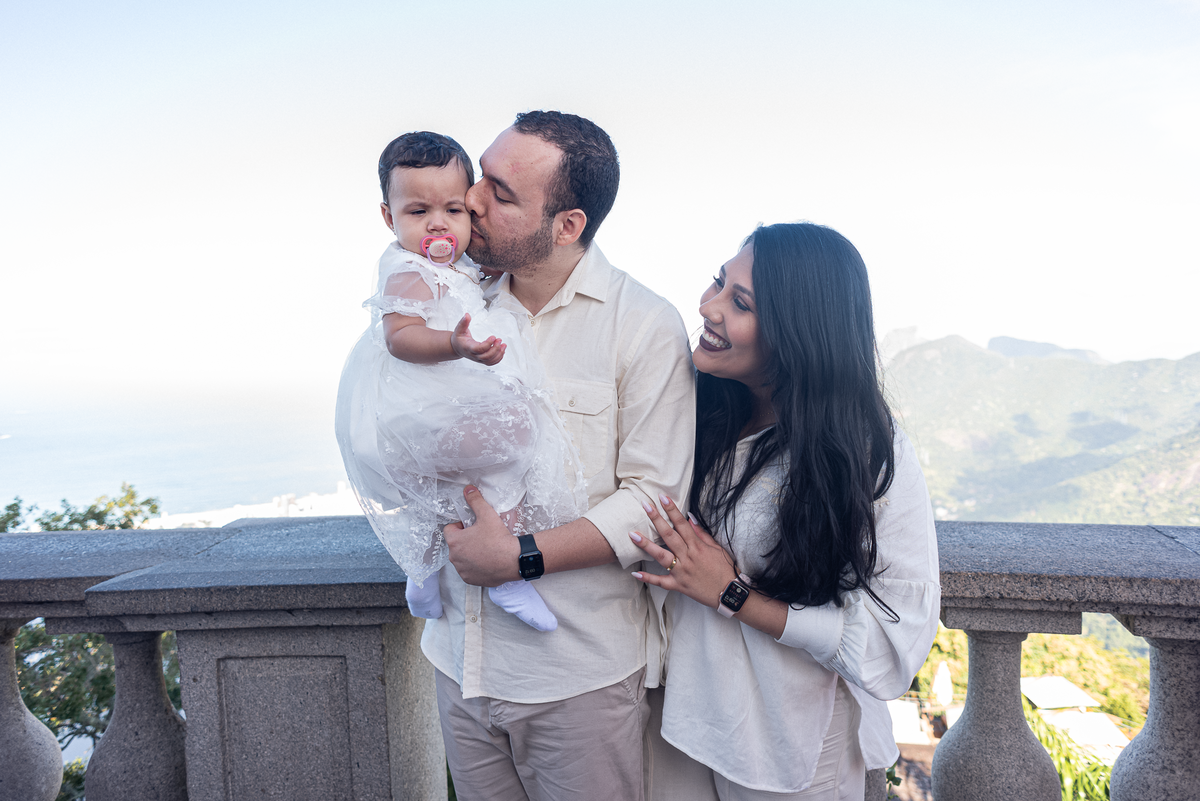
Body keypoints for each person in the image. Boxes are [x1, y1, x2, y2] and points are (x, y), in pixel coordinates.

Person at [423, 111, 696, 801]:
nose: (472, 201)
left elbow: (653, 500)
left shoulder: (642, 323)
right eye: (480, 176)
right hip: (456, 660)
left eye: (501, 193)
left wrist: (519, 559)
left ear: (567, 224)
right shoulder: (455, 301)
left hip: (576, 679)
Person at [631, 223, 941, 800]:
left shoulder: (862, 451)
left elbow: (885, 636)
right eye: (719, 283)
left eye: (740, 302)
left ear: (798, 332)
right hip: (685, 720)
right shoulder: (704, 408)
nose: (708, 307)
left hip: (790, 746)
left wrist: (732, 593)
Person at [334, 131, 588, 633]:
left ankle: (422, 575)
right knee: (515, 448)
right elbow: (400, 336)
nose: (438, 225)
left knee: (449, 487)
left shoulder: (458, 266)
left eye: (454, 210)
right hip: (425, 402)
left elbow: (470, 280)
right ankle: (507, 575)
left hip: (438, 404)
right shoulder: (408, 272)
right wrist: (455, 343)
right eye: (417, 212)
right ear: (389, 217)